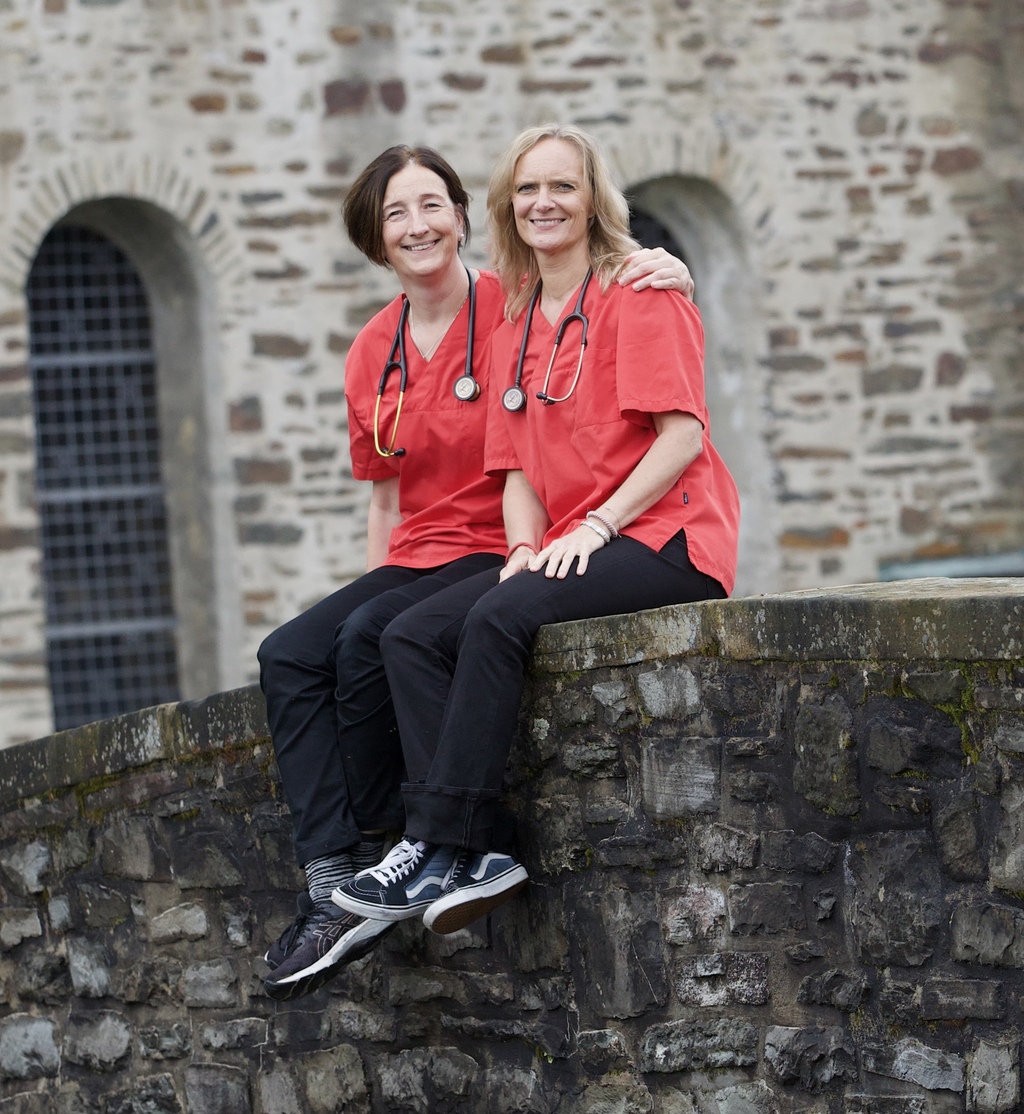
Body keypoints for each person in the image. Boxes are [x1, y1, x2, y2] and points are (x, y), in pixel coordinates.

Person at [257, 142, 694, 999]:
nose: (416, 226)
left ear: (462, 218)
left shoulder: (512, 304)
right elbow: (385, 500)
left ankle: (411, 850)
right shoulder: (370, 351)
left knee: (383, 636)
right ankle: (331, 877)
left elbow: (603, 317)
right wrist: (370, 580)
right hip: (424, 550)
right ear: (375, 241)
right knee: (292, 652)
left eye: (431, 205)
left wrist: (661, 262)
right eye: (395, 214)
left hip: (502, 543)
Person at [333, 124, 740, 938]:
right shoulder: (517, 319)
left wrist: (596, 522)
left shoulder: (641, 291)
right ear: (505, 207)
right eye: (526, 189)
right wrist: (522, 548)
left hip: (665, 537)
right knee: (411, 634)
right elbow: (516, 469)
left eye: (562, 186)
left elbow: (683, 438)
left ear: (594, 202)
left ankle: (449, 841)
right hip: (565, 541)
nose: (543, 202)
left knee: (495, 618)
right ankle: (461, 852)